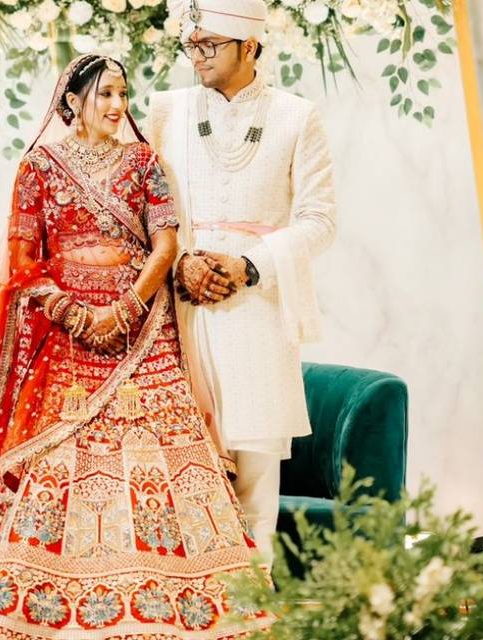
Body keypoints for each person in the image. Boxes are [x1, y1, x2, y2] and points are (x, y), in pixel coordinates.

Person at [0, 54, 271, 639]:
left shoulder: (145, 162)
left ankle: (188, 599)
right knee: (59, 459)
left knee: (171, 453)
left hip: (143, 332)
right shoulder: (39, 168)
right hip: (68, 337)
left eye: (123, 94)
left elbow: (166, 243)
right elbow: (24, 259)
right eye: (104, 94)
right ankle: (47, 599)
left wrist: (126, 307)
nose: (117, 106)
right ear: (73, 100)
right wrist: (75, 313)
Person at [147, 0, 337, 565]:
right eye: (192, 44)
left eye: (210, 45)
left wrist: (249, 265)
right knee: (176, 460)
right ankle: (185, 602)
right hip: (181, 309)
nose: (197, 56)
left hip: (257, 310)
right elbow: (145, 209)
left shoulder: (297, 116)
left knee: (255, 465)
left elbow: (320, 219)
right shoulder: (166, 110)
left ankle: (252, 603)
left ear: (249, 45)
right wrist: (179, 263)